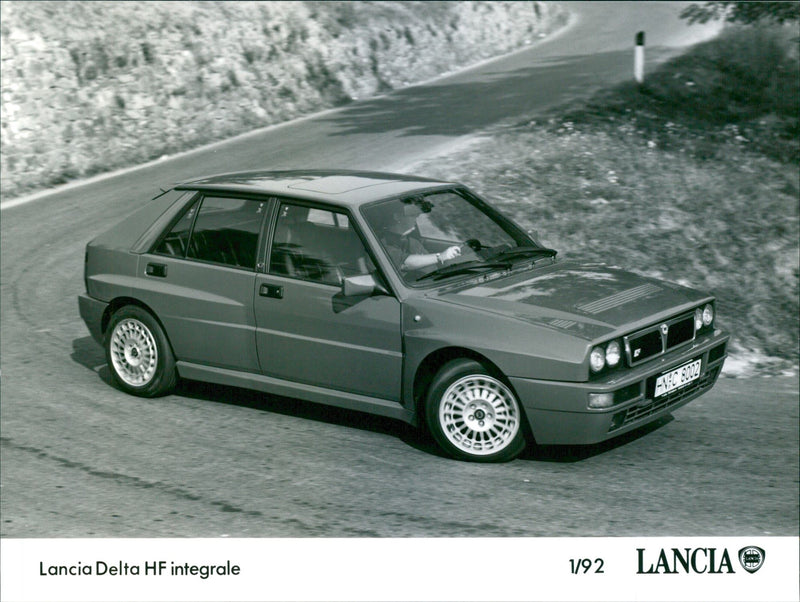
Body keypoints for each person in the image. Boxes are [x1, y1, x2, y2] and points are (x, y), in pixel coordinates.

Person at [378, 200, 461, 272]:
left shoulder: (413, 242)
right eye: (413, 215)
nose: (416, 219)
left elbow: (431, 265)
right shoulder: (382, 243)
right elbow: (404, 263)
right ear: (397, 217)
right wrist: (440, 256)